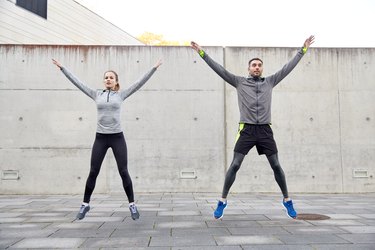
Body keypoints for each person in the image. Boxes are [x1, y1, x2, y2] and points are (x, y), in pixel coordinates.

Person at [191, 36, 315, 219]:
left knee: (276, 165)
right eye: (254, 65)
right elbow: (219, 69)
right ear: (249, 69)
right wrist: (202, 53)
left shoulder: (270, 81)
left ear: (261, 68)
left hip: (265, 130)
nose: (257, 67)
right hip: (247, 130)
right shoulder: (239, 82)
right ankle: (222, 201)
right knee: (235, 164)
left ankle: (287, 200)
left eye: (259, 65)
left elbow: (288, 68)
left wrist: (302, 50)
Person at [52, 58, 162, 220]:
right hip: (100, 138)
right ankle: (85, 204)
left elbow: (139, 83)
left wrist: (153, 68)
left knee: (123, 171)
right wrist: (63, 68)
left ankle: (132, 204)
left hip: (117, 137)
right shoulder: (96, 94)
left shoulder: (121, 95)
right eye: (106, 77)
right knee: (93, 171)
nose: (108, 79)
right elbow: (78, 83)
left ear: (116, 81)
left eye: (111, 77)